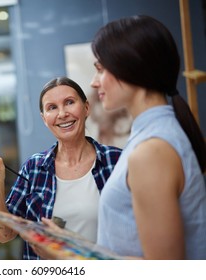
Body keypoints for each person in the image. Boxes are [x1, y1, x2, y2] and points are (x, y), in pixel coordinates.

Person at [88, 15, 206, 259]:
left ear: (131, 66)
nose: (94, 82)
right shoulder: (154, 135)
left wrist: (79, 260)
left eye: (100, 69)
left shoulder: (151, 150)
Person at [0, 76, 122, 259]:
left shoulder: (116, 161)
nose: (62, 114)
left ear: (86, 108)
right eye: (52, 108)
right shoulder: (34, 167)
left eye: (69, 102)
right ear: (44, 118)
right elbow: (5, 235)